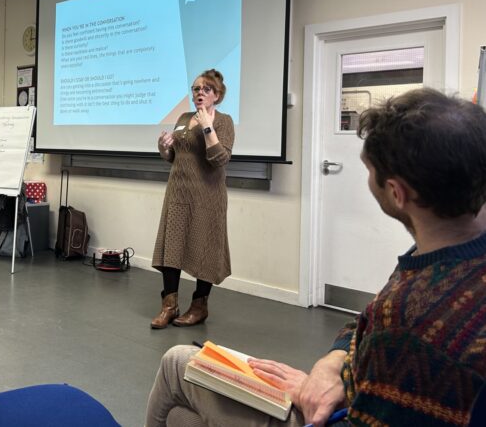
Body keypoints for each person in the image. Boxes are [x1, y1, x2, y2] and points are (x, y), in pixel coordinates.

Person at [145, 88, 486, 426]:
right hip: (352, 387)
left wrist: (314, 386)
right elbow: (366, 321)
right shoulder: (438, 258)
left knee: (179, 363)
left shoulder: (409, 323)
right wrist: (333, 363)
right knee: (180, 419)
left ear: (396, 194)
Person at [150, 69, 235, 329]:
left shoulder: (224, 121)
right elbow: (174, 156)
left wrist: (207, 127)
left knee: (206, 247)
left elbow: (220, 159)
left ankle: (199, 306)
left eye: (206, 89)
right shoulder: (184, 118)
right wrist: (164, 147)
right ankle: (169, 306)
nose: (199, 93)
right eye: (196, 88)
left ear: (217, 95)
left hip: (208, 196)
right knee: (171, 248)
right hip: (178, 192)